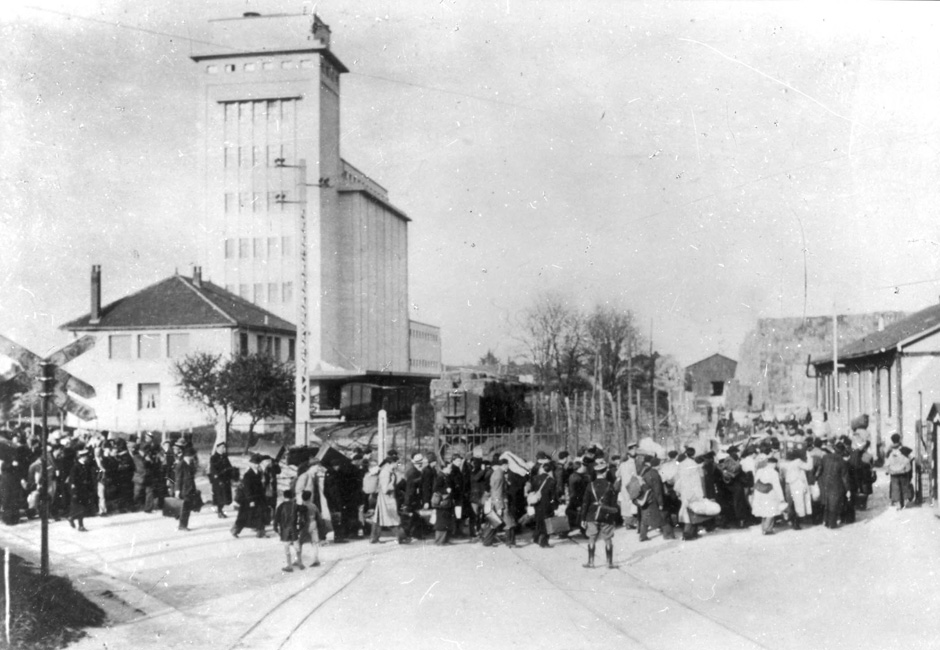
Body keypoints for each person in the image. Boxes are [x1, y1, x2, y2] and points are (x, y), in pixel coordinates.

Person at [579, 458, 617, 568]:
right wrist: (613, 517)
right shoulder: (610, 485)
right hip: (606, 515)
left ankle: (591, 562)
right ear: (605, 472)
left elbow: (585, 503)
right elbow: (613, 504)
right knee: (608, 538)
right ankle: (609, 563)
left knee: (592, 537)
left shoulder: (590, 485)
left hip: (591, 515)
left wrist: (583, 518)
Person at [371, 450, 408, 544]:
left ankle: (374, 537)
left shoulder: (389, 471)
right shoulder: (386, 473)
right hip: (386, 499)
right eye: (397, 463)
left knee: (379, 518)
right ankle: (401, 537)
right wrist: (394, 484)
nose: (397, 465)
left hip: (385, 499)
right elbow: (385, 489)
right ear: (391, 463)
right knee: (392, 518)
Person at [638, 456, 675, 541]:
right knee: (664, 516)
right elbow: (658, 490)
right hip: (654, 499)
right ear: (657, 465)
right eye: (660, 464)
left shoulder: (647, 472)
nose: (661, 465)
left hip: (647, 498)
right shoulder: (655, 475)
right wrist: (661, 503)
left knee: (645, 518)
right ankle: (668, 535)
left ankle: (642, 536)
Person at [816, 442, 850, 529]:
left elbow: (819, 470)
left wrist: (816, 479)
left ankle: (825, 521)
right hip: (836, 484)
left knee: (826, 502)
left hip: (825, 483)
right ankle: (832, 523)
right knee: (834, 504)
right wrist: (848, 490)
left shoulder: (825, 457)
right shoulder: (843, 462)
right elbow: (844, 478)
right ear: (842, 452)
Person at [232, 454, 265, 538]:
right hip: (249, 499)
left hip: (258, 497)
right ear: (251, 463)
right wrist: (251, 500)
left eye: (258, 463)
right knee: (244, 516)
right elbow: (247, 489)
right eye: (254, 463)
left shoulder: (259, 472)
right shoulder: (248, 474)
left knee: (260, 514)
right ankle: (235, 530)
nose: (256, 465)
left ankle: (260, 532)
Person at [274, 489, 306, 572]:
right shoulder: (295, 505)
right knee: (296, 545)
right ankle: (300, 562)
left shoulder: (281, 506)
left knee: (286, 547)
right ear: (292, 497)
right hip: (293, 528)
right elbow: (304, 509)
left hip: (284, 529)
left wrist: (275, 528)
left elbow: (276, 518)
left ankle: (289, 565)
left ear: (284, 496)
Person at [752, 457, 784, 535]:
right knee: (771, 511)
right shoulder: (774, 472)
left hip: (760, 493)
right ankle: (768, 529)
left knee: (763, 511)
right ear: (774, 464)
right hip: (770, 493)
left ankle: (763, 528)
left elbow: (755, 481)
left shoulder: (760, 470)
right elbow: (777, 486)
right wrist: (781, 498)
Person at [67, 449, 96, 532]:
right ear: (82, 457)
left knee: (82, 508)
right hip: (78, 490)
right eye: (86, 456)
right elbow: (72, 480)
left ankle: (72, 518)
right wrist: (74, 491)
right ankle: (79, 524)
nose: (87, 458)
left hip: (85, 489)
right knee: (81, 508)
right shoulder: (75, 466)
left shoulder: (86, 465)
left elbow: (89, 477)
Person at [782, 450, 813, 529]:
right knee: (799, 503)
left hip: (788, 484)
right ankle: (797, 523)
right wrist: (809, 457)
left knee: (791, 503)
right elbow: (809, 467)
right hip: (797, 484)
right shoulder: (797, 462)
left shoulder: (784, 463)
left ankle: (791, 521)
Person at [529, 460, 556, 548]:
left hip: (537, 503)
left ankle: (536, 538)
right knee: (546, 523)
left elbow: (532, 490)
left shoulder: (535, 478)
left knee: (538, 521)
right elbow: (553, 496)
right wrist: (554, 504)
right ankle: (544, 542)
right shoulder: (552, 481)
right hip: (547, 504)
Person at [432, 460, 457, 545]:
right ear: (444, 468)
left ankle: (445, 540)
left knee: (446, 521)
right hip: (442, 504)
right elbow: (435, 489)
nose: (451, 470)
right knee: (441, 522)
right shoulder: (440, 476)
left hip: (446, 503)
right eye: (449, 468)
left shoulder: (445, 476)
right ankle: (439, 541)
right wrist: (445, 490)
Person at [174, 446, 199, 532]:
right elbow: (178, 478)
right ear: (188, 456)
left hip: (190, 489)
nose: (193, 457)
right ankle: (182, 525)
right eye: (192, 456)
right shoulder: (181, 465)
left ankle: (183, 524)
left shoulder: (190, 464)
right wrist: (177, 491)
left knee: (187, 508)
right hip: (184, 490)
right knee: (185, 508)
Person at [208, 441, 235, 519]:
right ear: (217, 448)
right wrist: (218, 479)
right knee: (219, 497)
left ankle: (221, 510)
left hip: (225, 479)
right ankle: (219, 512)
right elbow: (213, 470)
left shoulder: (225, 457)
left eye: (224, 448)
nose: (223, 449)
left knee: (225, 497)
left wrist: (231, 472)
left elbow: (229, 466)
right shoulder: (213, 458)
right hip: (218, 481)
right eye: (222, 447)